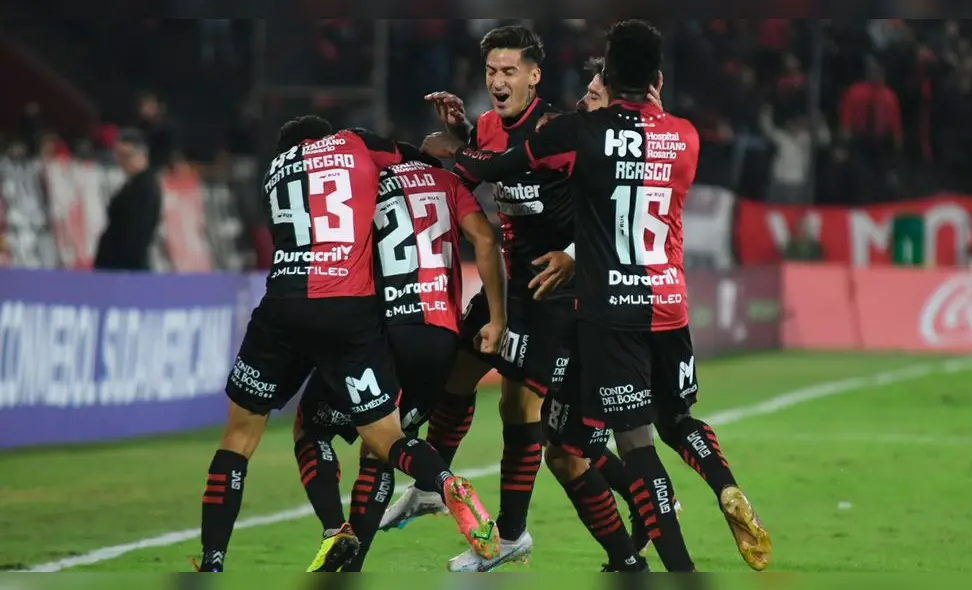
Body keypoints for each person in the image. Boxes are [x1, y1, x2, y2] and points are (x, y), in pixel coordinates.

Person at [422, 20, 773, 573]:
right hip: (669, 305)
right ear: (656, 80)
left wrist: (450, 150)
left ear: (607, 75)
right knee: (659, 423)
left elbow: (501, 167)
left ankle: (673, 564)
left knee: (624, 446)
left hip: (607, 312)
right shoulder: (685, 136)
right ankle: (716, 489)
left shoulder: (581, 134)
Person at [196, 116, 499, 572]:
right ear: (328, 137)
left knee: (249, 435)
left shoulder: (275, 171)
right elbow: (407, 157)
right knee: (386, 439)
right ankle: (442, 479)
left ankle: (218, 561)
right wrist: (443, 150)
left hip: (285, 303)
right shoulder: (357, 147)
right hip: (360, 314)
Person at [378, 25, 580, 573]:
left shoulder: (558, 130)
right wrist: (465, 132)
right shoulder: (488, 127)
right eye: (491, 71)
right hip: (512, 286)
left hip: (555, 293)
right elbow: (488, 159)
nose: (498, 80)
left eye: (509, 71)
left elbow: (605, 203)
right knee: (458, 374)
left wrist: (574, 251)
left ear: (534, 76)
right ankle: (430, 484)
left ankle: (511, 534)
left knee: (518, 406)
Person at [292, 158, 508, 571]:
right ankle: (444, 482)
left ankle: (340, 540)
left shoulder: (372, 181)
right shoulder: (448, 181)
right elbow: (484, 239)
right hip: (440, 335)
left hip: (385, 329)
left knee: (312, 425)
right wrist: (497, 317)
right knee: (385, 447)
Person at [93, 129, 162, 271]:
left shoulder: (145, 187)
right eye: (118, 156)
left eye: (126, 156)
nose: (121, 161)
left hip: (126, 266)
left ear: (141, 155)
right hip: (118, 263)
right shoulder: (134, 184)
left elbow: (137, 233)